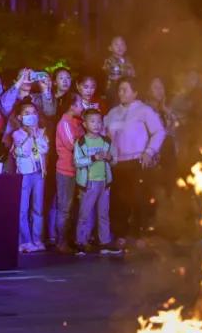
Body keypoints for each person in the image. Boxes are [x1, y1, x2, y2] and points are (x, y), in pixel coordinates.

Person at [105, 78, 166, 241]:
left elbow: (159, 132)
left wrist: (149, 152)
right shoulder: (113, 113)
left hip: (138, 161)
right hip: (118, 163)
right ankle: (121, 235)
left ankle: (140, 235)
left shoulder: (144, 110)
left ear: (135, 93)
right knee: (119, 201)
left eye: (125, 90)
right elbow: (104, 133)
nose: (121, 93)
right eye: (120, 90)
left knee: (139, 199)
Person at [74, 109, 121, 255]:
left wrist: (109, 158)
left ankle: (105, 242)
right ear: (85, 124)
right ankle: (81, 242)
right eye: (92, 121)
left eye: (99, 121)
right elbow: (77, 162)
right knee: (85, 214)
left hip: (104, 183)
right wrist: (93, 158)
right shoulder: (81, 142)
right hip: (89, 183)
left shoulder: (106, 141)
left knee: (103, 214)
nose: (96, 124)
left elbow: (115, 160)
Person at [12, 103, 48, 252]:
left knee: (38, 208)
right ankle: (25, 241)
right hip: (25, 175)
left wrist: (37, 136)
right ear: (20, 117)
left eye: (33, 112)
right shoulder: (17, 134)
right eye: (27, 113)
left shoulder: (42, 132)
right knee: (23, 208)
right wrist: (29, 136)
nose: (31, 116)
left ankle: (37, 239)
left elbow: (44, 148)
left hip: (39, 173)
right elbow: (22, 152)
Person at [53, 94, 85, 252]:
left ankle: (72, 239)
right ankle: (61, 242)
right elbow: (73, 145)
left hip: (78, 170)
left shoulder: (78, 122)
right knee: (64, 208)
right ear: (72, 105)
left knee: (74, 208)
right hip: (66, 171)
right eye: (80, 104)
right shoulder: (64, 122)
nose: (83, 107)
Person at [102, 36, 136, 103]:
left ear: (126, 47)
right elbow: (112, 75)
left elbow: (133, 74)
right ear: (110, 48)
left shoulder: (128, 61)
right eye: (116, 44)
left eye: (122, 44)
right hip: (114, 91)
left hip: (127, 90)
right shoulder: (109, 61)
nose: (119, 47)